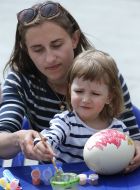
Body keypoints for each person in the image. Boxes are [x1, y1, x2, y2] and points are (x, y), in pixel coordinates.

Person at [0, 1, 139, 172]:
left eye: (57, 45)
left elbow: (132, 133)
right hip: (58, 177)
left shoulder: (104, 75)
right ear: (26, 50)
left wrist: (136, 147)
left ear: (74, 39)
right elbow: (2, 138)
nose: (50, 58)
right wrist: (19, 138)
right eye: (37, 49)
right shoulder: (20, 81)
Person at [33, 49, 131, 168]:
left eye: (95, 94)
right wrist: (43, 143)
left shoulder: (118, 129)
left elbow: (124, 157)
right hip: (69, 182)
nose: (85, 99)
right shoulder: (65, 122)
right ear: (69, 90)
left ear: (109, 97)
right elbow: (52, 135)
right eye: (79, 91)